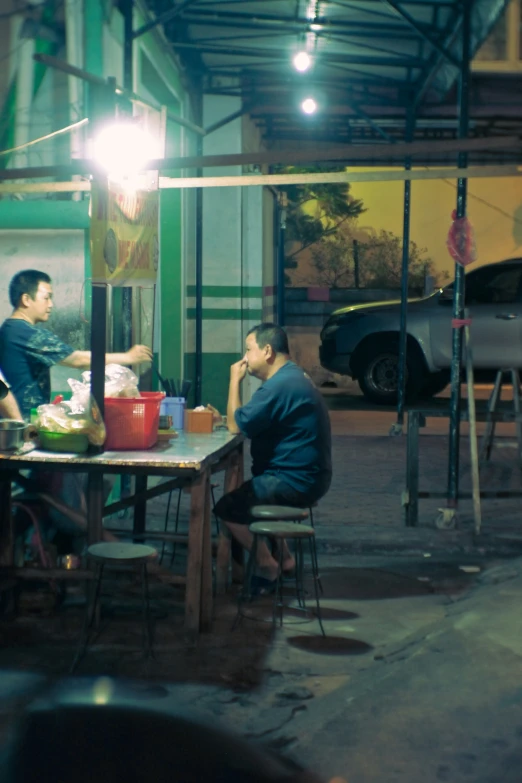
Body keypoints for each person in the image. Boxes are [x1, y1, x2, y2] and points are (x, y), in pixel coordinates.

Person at [215, 323, 332, 587]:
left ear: (267, 351)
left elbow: (236, 425)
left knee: (228, 508)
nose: (244, 358)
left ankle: (266, 565)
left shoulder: (279, 385)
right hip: (311, 476)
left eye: (248, 350)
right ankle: (286, 557)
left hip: (296, 481)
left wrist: (234, 380)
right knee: (256, 490)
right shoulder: (293, 376)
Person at [0, 269, 152, 420]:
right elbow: (77, 360)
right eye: (46, 298)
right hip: (21, 425)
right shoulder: (23, 332)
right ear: (26, 299)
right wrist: (128, 357)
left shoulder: (9, 329)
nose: (51, 304)